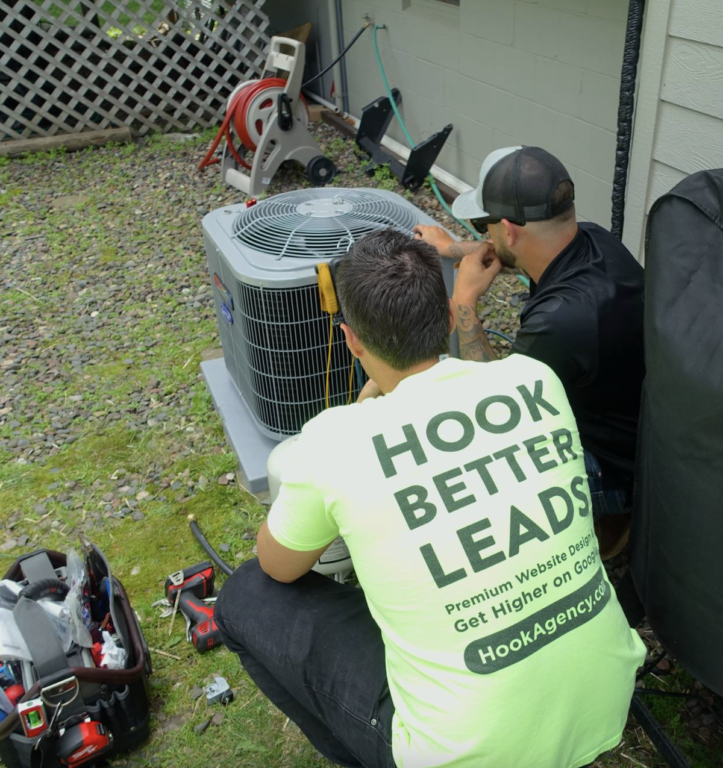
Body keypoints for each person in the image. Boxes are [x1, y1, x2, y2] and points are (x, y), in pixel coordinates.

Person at [215, 229, 645, 768]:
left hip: (468, 752)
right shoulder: (534, 379)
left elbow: (277, 567)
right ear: (444, 317)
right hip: (604, 698)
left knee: (245, 595)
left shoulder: (332, 441)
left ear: (351, 340)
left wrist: (358, 413)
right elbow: (473, 391)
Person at [413, 147, 645, 547]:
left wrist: (465, 302)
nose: (484, 235)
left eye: (485, 226)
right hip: (631, 430)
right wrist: (451, 248)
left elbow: (493, 410)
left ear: (508, 229)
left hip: (615, 470)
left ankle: (606, 520)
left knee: (471, 466)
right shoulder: (592, 240)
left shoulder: (561, 321)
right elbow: (509, 252)